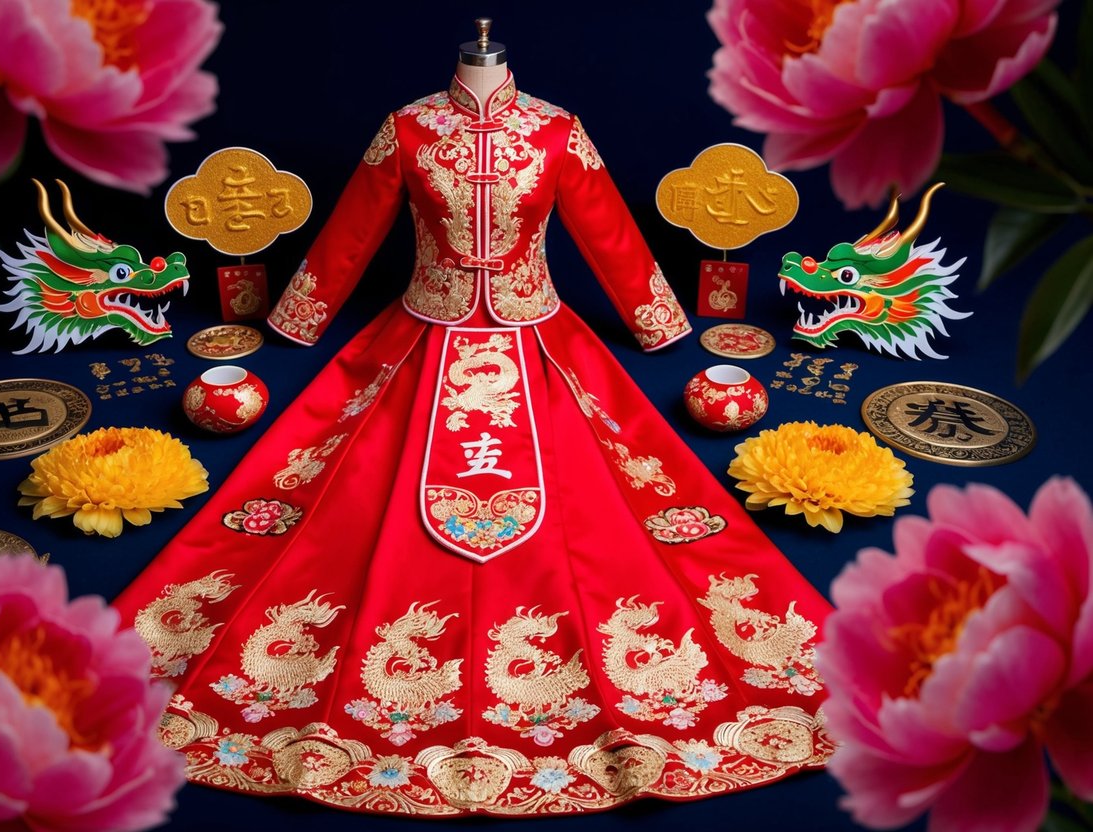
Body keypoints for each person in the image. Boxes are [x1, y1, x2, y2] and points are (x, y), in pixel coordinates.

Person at [116, 20, 833, 816]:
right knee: (337, 497)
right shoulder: (410, 125)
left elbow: (607, 230)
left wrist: (656, 321)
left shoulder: (557, 129)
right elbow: (354, 227)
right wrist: (299, 319)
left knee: (621, 502)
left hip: (541, 329)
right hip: (422, 325)